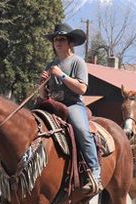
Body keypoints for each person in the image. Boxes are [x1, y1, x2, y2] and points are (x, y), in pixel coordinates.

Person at [39, 23, 101, 194]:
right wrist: (42, 83)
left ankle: (95, 172)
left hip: (72, 104)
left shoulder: (77, 62)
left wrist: (61, 75)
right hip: (52, 105)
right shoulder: (50, 65)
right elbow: (43, 95)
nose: (57, 42)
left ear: (70, 43)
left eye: (61, 39)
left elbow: (82, 89)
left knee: (82, 130)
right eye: (55, 39)